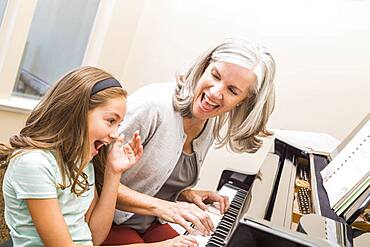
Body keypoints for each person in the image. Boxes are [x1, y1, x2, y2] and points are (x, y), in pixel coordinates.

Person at [102, 37, 276, 245]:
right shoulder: (152, 106)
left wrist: (185, 194)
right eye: (215, 75)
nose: (215, 92)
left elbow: (153, 180)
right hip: (107, 221)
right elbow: (94, 179)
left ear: (244, 100)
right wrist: (165, 207)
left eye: (232, 90)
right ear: (204, 67)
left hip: (148, 223)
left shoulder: (209, 121)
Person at [0, 67, 198, 247]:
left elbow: (94, 237)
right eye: (110, 121)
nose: (115, 134)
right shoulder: (33, 164)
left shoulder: (83, 162)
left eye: (118, 124)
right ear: (76, 112)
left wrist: (113, 172)